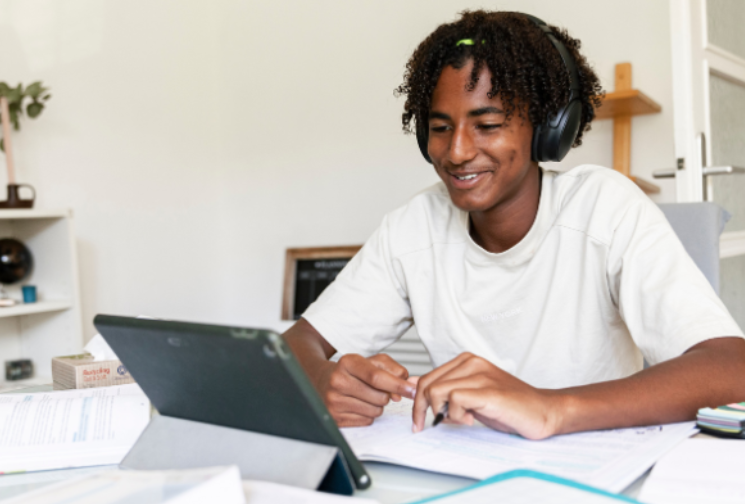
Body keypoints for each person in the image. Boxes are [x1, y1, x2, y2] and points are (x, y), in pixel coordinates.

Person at [283, 10, 745, 440]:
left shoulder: (604, 207)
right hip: (465, 468)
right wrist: (324, 379)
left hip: (594, 469)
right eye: (441, 128)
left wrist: (548, 408)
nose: (458, 151)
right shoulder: (413, 228)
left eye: (487, 124)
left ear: (548, 129)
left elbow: (732, 367)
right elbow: (297, 344)